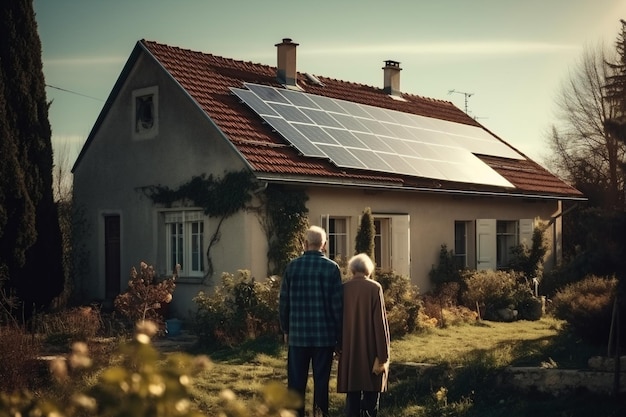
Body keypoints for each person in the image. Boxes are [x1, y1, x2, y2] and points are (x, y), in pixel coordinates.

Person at [279, 225, 344, 417]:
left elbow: (284, 303)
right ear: (324, 245)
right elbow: (337, 307)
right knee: (321, 382)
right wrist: (339, 337)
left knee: (296, 383)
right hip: (324, 337)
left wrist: (285, 329)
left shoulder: (292, 267)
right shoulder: (332, 268)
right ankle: (319, 414)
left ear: (305, 244)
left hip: (298, 336)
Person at [337, 253, 390, 417]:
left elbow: (338, 319)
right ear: (369, 269)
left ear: (352, 270)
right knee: (371, 394)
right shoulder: (375, 288)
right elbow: (379, 322)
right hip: (371, 349)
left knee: (352, 395)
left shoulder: (344, 289)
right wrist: (383, 354)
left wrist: (338, 346)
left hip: (349, 349)